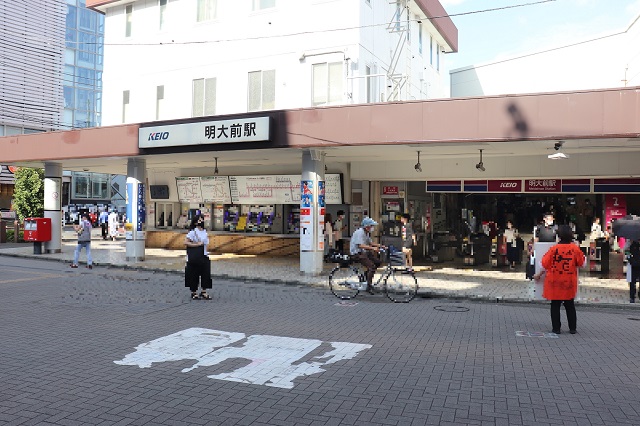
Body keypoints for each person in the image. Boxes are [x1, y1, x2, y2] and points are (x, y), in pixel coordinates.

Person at [533, 225, 586, 334]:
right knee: (569, 304)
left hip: (555, 280)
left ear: (559, 236)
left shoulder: (554, 249)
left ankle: (556, 328)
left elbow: (544, 264)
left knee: (555, 304)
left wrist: (538, 274)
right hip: (569, 280)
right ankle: (572, 328)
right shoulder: (574, 249)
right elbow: (582, 263)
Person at [350, 217, 385, 294]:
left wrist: (381, 246)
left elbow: (370, 243)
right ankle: (368, 286)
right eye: (371, 226)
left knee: (377, 262)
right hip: (357, 253)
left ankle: (367, 276)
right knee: (371, 266)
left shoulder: (366, 233)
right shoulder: (360, 232)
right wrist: (373, 248)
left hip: (364, 252)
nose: (373, 228)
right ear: (367, 226)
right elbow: (360, 245)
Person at [185, 214, 212, 300]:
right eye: (199, 220)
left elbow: (206, 243)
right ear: (195, 222)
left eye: (202, 220)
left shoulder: (204, 231)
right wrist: (196, 244)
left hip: (204, 255)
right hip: (195, 256)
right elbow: (186, 242)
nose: (201, 222)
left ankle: (204, 291)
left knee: (206, 274)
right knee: (194, 274)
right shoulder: (193, 232)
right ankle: (194, 292)